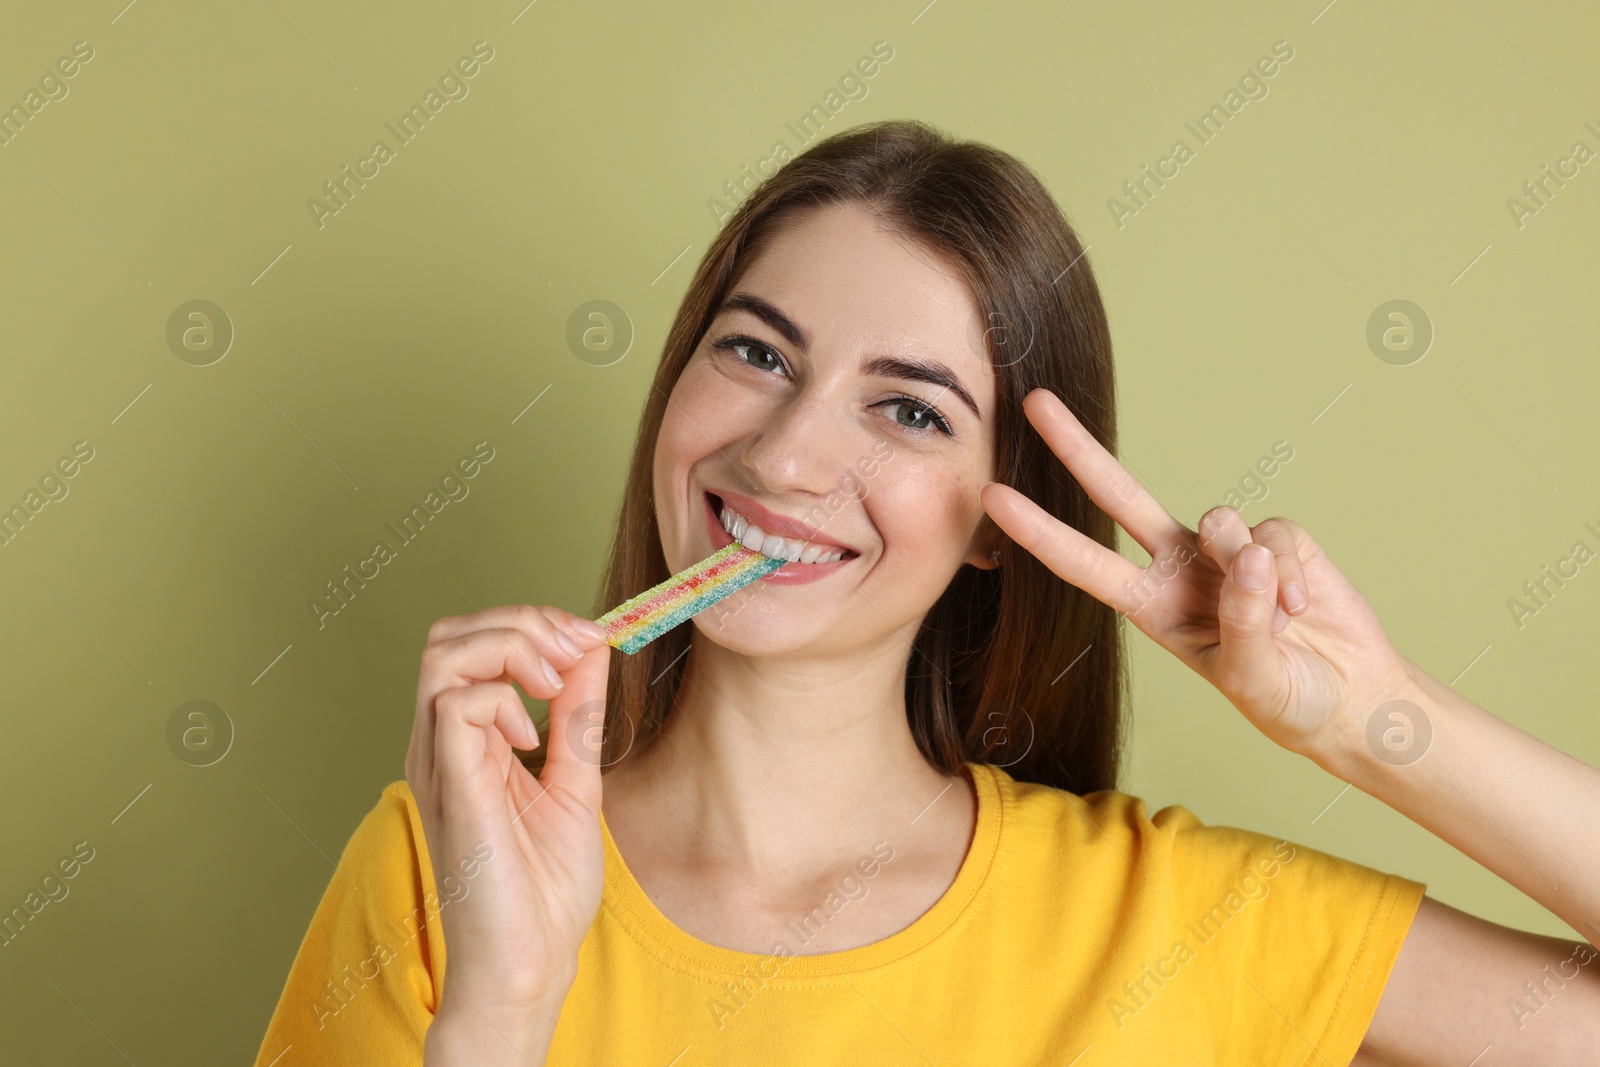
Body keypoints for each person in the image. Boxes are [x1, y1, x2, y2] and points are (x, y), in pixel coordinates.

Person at [253, 119, 1600, 1066]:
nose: (783, 455)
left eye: (907, 410)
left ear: (1000, 522)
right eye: (757, 353)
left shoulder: (1177, 923)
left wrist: (1365, 720)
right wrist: (501, 1002)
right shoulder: (443, 867)